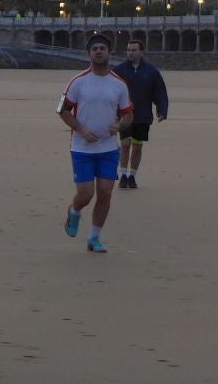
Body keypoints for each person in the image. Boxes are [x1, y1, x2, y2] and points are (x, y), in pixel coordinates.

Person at [58, 34, 133, 253]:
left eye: (102, 48)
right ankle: (74, 211)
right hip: (81, 148)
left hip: (108, 148)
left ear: (109, 53)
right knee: (86, 194)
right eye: (94, 49)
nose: (98, 52)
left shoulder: (119, 84)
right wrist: (80, 129)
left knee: (105, 193)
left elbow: (128, 114)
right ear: (89, 54)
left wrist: (120, 125)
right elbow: (62, 110)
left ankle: (94, 238)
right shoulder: (78, 81)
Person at [112, 39, 169, 189]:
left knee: (137, 147)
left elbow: (159, 92)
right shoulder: (119, 71)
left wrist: (162, 110)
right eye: (129, 50)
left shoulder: (151, 71)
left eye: (134, 50)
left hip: (143, 115)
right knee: (125, 144)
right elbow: (109, 91)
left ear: (141, 52)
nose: (130, 53)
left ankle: (132, 176)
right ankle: (123, 175)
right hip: (124, 114)